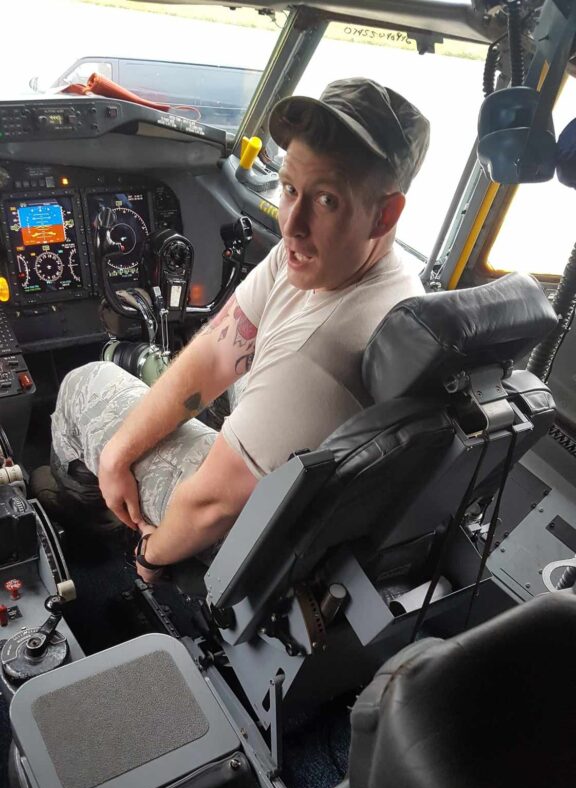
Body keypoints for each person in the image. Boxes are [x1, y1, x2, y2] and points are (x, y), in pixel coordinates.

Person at [47, 78, 430, 582]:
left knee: (84, 384)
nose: (292, 225)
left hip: (253, 539)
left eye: (328, 201)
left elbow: (210, 506)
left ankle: (90, 520)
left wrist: (149, 557)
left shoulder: (318, 350)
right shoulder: (356, 267)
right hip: (297, 486)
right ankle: (109, 477)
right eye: (291, 189)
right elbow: (216, 354)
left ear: (386, 213)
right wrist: (120, 451)